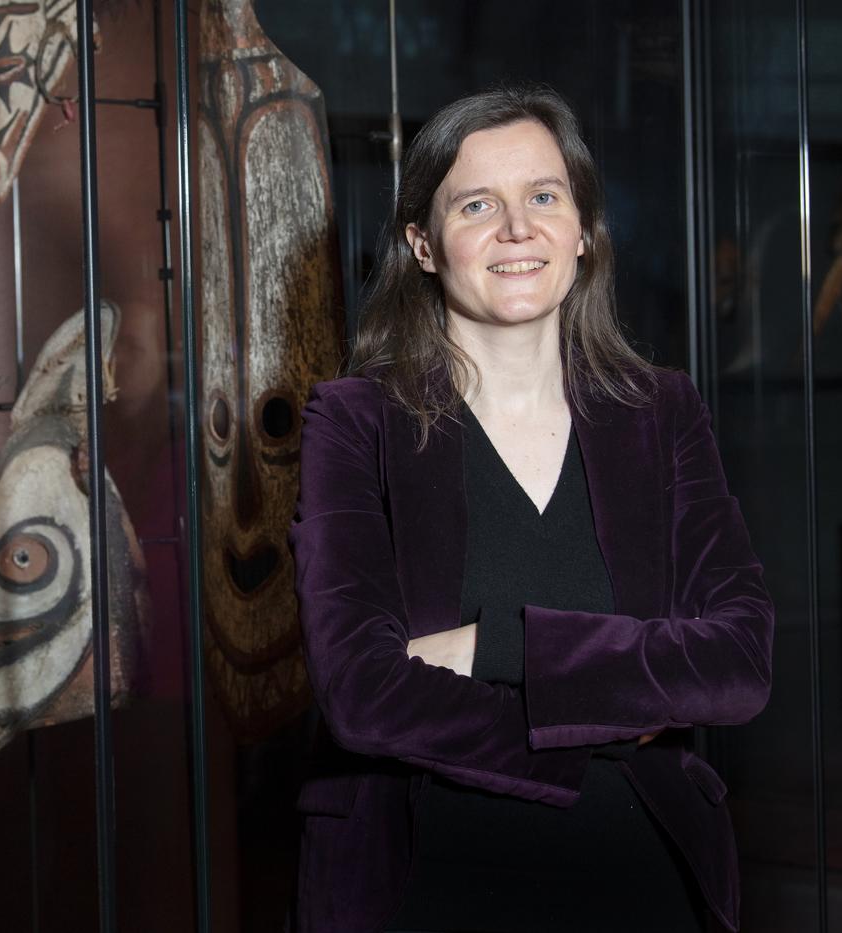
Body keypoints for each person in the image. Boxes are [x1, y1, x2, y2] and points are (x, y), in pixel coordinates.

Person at [289, 84, 773, 933]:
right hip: (427, 877)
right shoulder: (354, 421)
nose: (518, 228)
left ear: (580, 230)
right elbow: (362, 692)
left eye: (544, 197)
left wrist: (496, 644)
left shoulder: (662, 411)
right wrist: (619, 711)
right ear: (424, 245)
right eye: (478, 204)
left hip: (640, 874)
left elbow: (737, 660)